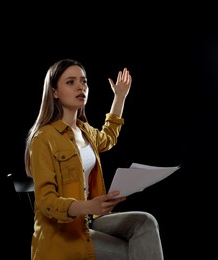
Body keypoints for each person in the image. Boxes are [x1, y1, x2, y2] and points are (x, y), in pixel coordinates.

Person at [24, 58, 164, 260]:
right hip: (61, 235)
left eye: (84, 81)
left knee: (145, 223)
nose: (81, 87)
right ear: (54, 92)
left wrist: (120, 97)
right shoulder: (43, 138)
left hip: (89, 221)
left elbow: (108, 137)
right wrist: (90, 206)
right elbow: (46, 202)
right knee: (134, 250)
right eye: (71, 82)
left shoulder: (84, 130)